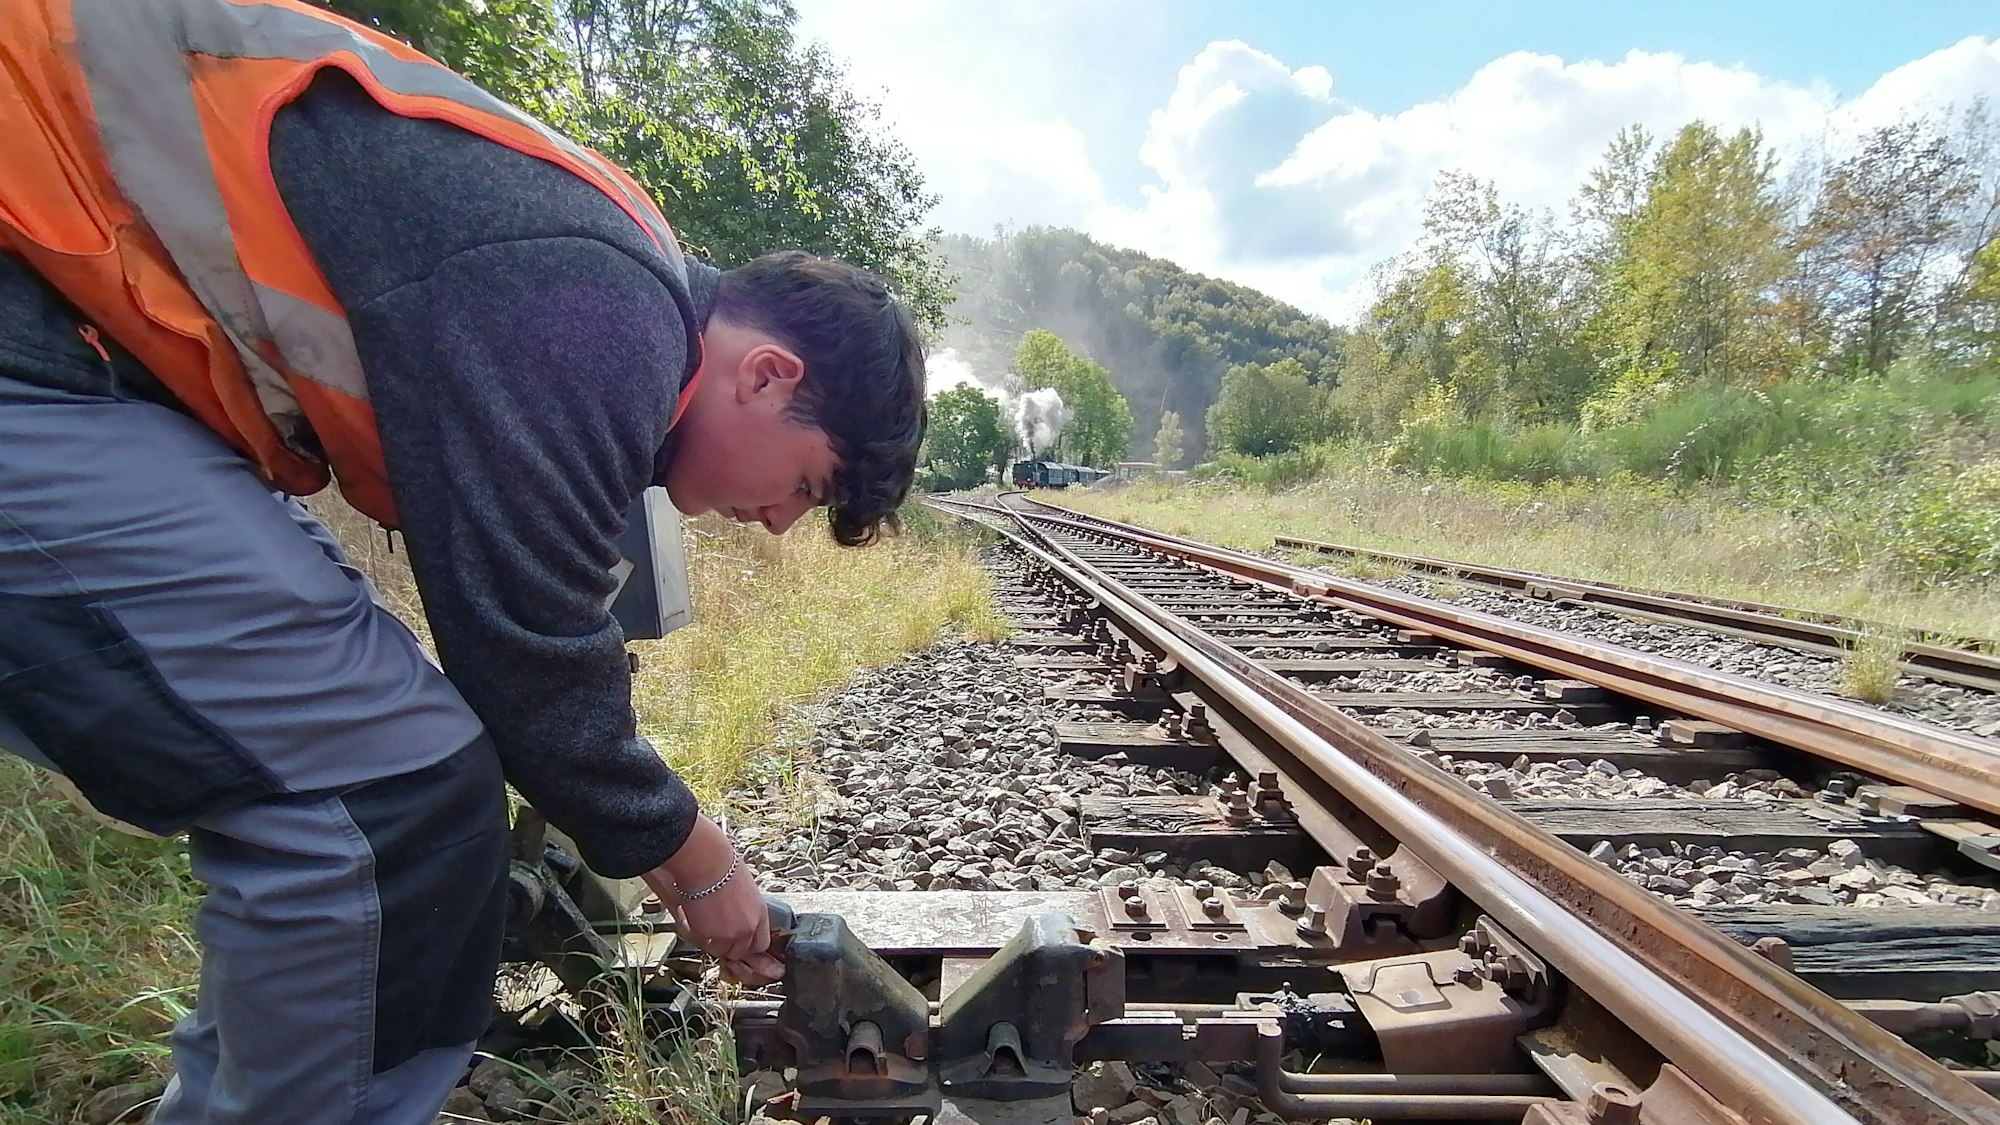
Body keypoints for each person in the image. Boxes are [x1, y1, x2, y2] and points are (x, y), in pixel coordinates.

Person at [0, 1, 926, 1122]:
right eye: (807, 485)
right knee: (387, 795)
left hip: (72, 343)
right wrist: (704, 869)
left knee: (392, 746)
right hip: (36, 342)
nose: (777, 522)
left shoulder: (611, 287)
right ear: (768, 377)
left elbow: (535, 637)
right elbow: (528, 658)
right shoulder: (598, 307)